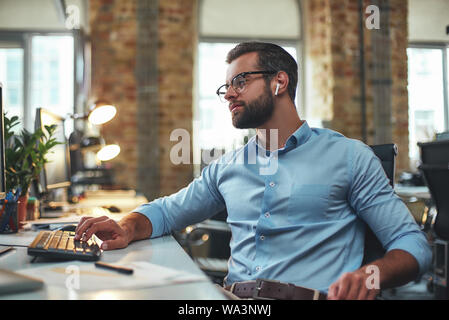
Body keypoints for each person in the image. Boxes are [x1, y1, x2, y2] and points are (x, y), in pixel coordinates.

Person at [75, 42, 432, 300]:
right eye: (225, 86)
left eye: (240, 81)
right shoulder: (227, 167)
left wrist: (372, 274)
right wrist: (126, 225)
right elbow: (168, 211)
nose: (229, 94)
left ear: (280, 82)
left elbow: (413, 244)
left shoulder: (350, 157)